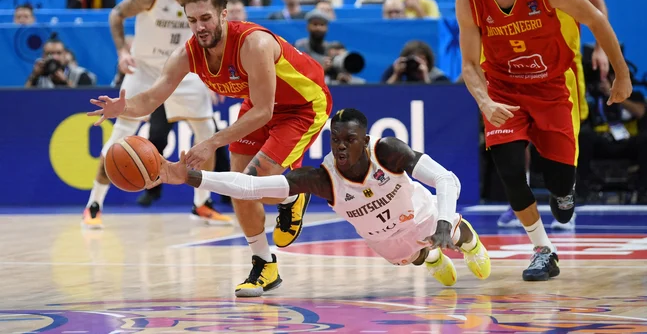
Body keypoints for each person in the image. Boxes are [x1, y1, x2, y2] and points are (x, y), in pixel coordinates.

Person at [87, 0, 333, 298]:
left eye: (205, 18)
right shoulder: (187, 53)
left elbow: (263, 112)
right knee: (238, 187)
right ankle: (264, 262)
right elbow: (151, 98)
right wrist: (125, 106)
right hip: (259, 102)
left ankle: (294, 193)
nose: (199, 27)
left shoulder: (252, 43)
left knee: (254, 182)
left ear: (223, 14)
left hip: (302, 105)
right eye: (191, 20)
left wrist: (211, 142)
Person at [456, 0, 632, 281]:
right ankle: (543, 250)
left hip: (551, 86)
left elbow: (598, 19)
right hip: (504, 90)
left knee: (559, 183)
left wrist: (622, 73)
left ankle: (564, 193)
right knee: (509, 171)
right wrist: (486, 103)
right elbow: (470, 66)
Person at [151, 108, 492, 286]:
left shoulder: (387, 151)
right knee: (412, 257)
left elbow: (446, 179)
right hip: (383, 240)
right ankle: (429, 260)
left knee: (445, 232)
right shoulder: (322, 179)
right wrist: (192, 176)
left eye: (350, 138)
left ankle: (470, 241)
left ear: (366, 138)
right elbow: (250, 187)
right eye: (335, 139)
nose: (341, 145)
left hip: (420, 216)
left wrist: (446, 222)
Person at [82, 0, 232, 229]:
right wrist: (121, 53)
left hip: (185, 70)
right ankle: (94, 204)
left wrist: (213, 74)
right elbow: (116, 15)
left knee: (207, 135)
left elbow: (215, 33)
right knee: (119, 137)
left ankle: (202, 204)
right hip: (145, 70)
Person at [498, 0, 611, 230]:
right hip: (522, 67)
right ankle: (521, 200)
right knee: (519, 135)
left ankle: (565, 194)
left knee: (564, 135)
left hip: (563, 67)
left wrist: (601, 48)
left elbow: (597, 6)